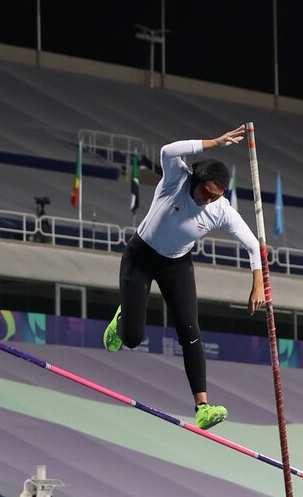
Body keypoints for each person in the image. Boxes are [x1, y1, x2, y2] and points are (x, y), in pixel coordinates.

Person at [101, 125, 265, 431]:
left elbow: (254, 245)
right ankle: (122, 318)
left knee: (191, 332)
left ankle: (202, 407)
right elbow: (167, 151)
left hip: (175, 265)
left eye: (216, 196)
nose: (209, 200)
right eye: (206, 192)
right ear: (197, 180)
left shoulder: (221, 210)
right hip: (140, 257)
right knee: (133, 339)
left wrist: (257, 284)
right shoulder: (176, 180)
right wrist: (214, 142)